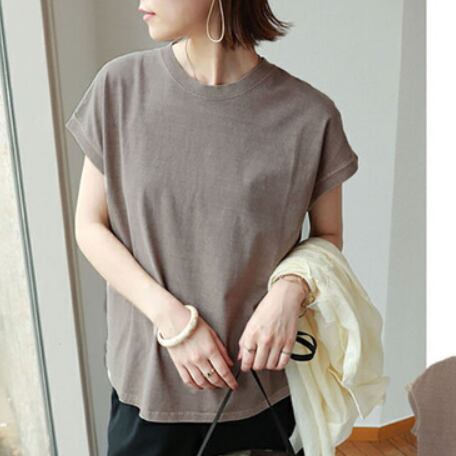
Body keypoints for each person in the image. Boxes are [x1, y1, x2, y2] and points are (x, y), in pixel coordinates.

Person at [65, 0, 359, 454]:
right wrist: (174, 321)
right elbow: (90, 225)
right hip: (149, 389)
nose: (141, 1)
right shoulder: (120, 87)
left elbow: (327, 237)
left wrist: (289, 292)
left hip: (260, 387)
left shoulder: (309, 116)